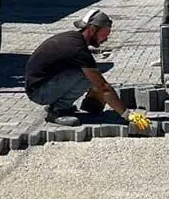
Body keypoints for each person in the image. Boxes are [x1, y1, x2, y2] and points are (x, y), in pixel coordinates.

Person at [24, 8, 154, 132]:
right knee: (88, 76)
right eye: (105, 34)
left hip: (41, 85)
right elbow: (103, 87)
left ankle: (61, 104)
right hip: (39, 92)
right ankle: (57, 111)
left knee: (91, 73)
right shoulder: (78, 49)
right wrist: (127, 115)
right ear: (92, 29)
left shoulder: (74, 39)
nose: (106, 39)